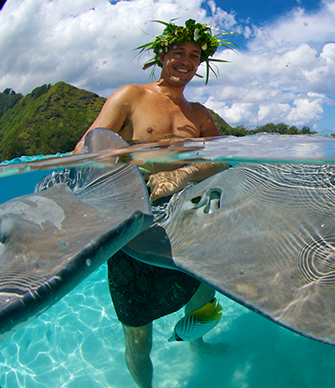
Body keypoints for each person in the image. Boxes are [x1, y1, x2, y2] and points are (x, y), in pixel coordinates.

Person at [74, 19, 234, 388]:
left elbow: (224, 157)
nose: (186, 61)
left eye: (194, 56)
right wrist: (140, 169)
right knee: (137, 329)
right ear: (161, 54)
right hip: (135, 223)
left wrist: (181, 175)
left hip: (185, 221)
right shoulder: (131, 96)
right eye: (178, 52)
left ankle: (200, 344)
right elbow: (87, 149)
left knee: (202, 291)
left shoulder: (199, 114)